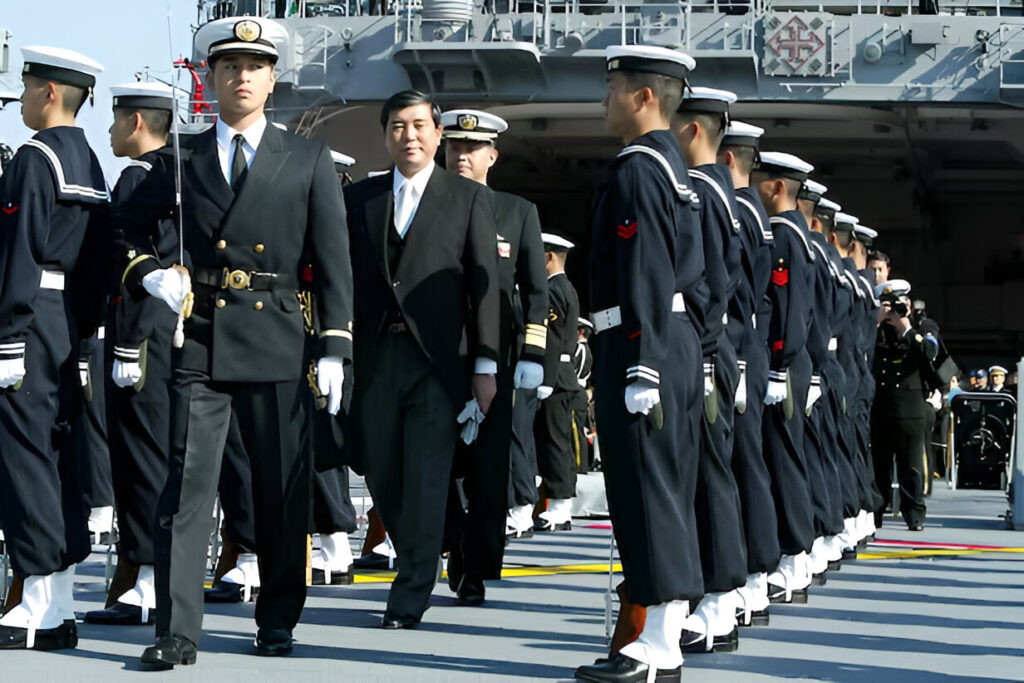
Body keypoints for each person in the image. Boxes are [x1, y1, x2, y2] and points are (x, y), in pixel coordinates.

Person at [120, 17, 354, 666]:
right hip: (199, 341)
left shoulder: (304, 158)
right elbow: (123, 231)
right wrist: (150, 276)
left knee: (281, 490)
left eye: (254, 65)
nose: (241, 76)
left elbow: (333, 260)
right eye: (228, 66)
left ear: (273, 78)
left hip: (278, 337)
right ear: (211, 78)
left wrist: (335, 346)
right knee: (186, 490)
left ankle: (276, 619)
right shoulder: (179, 159)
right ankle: (176, 629)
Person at [343, 89, 499, 630]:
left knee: (430, 476)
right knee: (382, 475)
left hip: (439, 364)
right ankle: (425, 551)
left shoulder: (469, 199)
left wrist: (486, 366)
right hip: (377, 357)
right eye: (397, 127)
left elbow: (487, 290)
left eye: (418, 126)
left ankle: (409, 593)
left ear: (437, 134)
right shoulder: (359, 200)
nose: (408, 136)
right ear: (385, 135)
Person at [575, 45, 706, 683]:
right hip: (662, 340)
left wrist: (645, 363)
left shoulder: (638, 169)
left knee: (649, 495)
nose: (605, 100)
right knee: (661, 491)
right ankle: (658, 639)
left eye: (613, 88)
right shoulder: (675, 168)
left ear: (643, 96)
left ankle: (659, 647)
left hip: (639, 342)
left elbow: (649, 269)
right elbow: (699, 277)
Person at [0, 46, 108, 651]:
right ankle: (58, 602)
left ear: (47, 94)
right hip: (68, 322)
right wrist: (87, 328)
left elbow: (18, 252)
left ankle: (35, 599)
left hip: (31, 317)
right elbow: (97, 260)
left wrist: (9, 337)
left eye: (26, 87)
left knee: (23, 453)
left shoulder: (35, 159)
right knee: (60, 453)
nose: (20, 100)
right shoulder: (89, 161)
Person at [439, 107, 548, 604]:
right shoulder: (425, 205)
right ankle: (449, 538)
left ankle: (477, 563)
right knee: (429, 460)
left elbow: (536, 290)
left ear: (492, 155)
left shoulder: (516, 211)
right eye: (454, 147)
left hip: (495, 359)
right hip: (436, 354)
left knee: (487, 468)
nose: (461, 156)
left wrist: (532, 353)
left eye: (471, 148)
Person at [84, 82, 177, 626]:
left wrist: (125, 345)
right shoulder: (176, 176)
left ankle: (144, 578)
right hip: (161, 338)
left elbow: (141, 269)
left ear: (137, 122)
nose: (113, 130)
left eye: (118, 120)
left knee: (141, 460)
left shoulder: (139, 179)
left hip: (141, 339)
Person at [673, 86, 747, 653]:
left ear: (692, 131)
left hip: (702, 347)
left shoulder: (697, 191)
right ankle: (716, 602)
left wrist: (697, 354)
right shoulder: (723, 192)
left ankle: (715, 601)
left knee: (705, 474)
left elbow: (705, 283)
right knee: (712, 471)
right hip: (717, 347)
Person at [716, 120, 780, 628]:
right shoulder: (755, 214)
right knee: (745, 462)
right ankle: (752, 579)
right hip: (749, 350)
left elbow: (736, 294)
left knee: (733, 464)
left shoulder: (735, 209)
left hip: (733, 349)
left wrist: (734, 363)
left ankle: (744, 580)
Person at [750, 151, 817, 604]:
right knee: (785, 456)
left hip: (783, 364)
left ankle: (793, 557)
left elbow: (788, 312)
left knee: (782, 459)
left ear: (776, 188)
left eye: (759, 181)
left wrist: (778, 365)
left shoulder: (782, 236)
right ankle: (793, 557)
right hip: (792, 363)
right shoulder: (802, 238)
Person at [871, 279, 936, 531]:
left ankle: (914, 513)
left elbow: (931, 355)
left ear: (908, 302)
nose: (895, 309)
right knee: (880, 465)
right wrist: (876, 321)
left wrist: (907, 328)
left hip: (910, 406)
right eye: (890, 304)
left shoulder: (923, 326)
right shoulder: (874, 328)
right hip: (881, 404)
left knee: (911, 465)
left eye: (900, 302)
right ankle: (876, 514)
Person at [533, 233, 581, 532]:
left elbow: (550, 340)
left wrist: (545, 378)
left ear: (549, 257)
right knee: (553, 442)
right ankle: (558, 504)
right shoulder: (567, 288)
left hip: (556, 378)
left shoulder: (552, 290)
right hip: (562, 376)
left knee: (554, 443)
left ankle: (561, 505)